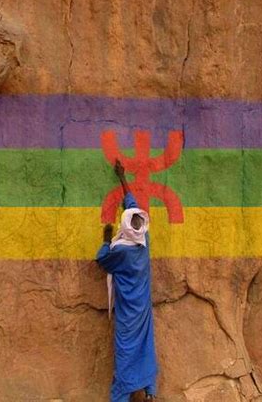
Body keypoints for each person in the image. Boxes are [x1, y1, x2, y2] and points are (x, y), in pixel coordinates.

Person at [96, 159, 158, 402]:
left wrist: (105, 238)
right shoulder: (144, 240)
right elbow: (132, 205)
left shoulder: (121, 252)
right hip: (143, 309)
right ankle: (150, 392)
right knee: (145, 348)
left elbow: (102, 259)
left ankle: (121, 397)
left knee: (125, 353)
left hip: (128, 315)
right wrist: (122, 179)